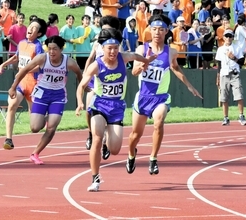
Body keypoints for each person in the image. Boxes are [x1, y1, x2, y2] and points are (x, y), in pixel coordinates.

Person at [75, 28, 157, 192]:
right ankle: (95, 178)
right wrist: (79, 103)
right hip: (99, 105)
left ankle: (108, 141)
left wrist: (146, 61)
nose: (113, 51)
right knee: (96, 138)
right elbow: (81, 86)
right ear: (102, 48)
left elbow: (135, 56)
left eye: (115, 47)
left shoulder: (123, 57)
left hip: (117, 108)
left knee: (115, 149)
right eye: (109, 48)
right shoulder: (96, 65)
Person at [125, 14, 202, 175]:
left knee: (158, 122)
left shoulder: (171, 52)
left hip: (160, 97)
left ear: (166, 31)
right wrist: (144, 64)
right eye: (154, 29)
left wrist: (189, 85)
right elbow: (133, 72)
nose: (157, 33)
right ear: (150, 31)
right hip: (143, 98)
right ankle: (131, 154)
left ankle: (153, 158)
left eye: (160, 30)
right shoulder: (142, 49)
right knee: (135, 135)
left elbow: (175, 68)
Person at [8, 35, 84, 164]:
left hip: (58, 96)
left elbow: (79, 73)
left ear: (61, 49)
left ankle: (35, 153)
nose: (52, 52)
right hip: (41, 94)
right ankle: (45, 117)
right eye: (49, 49)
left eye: (55, 49)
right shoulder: (42, 58)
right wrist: (13, 87)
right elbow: (24, 70)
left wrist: (83, 86)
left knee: (52, 127)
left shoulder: (69, 62)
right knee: (35, 128)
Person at [0, 18, 47, 150]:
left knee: (35, 125)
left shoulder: (38, 46)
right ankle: (8, 139)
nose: (30, 28)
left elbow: (40, 65)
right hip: (21, 82)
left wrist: (26, 69)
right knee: (11, 105)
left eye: (34, 28)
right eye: (30, 26)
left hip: (34, 84)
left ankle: (44, 119)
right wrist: (3, 65)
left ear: (39, 34)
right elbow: (16, 57)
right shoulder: (21, 43)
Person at [83, 15, 121, 159]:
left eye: (107, 30)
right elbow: (90, 58)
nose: (104, 33)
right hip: (95, 80)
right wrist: (85, 76)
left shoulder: (117, 46)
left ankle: (105, 142)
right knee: (89, 109)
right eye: (102, 30)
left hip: (109, 82)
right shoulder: (98, 43)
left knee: (105, 114)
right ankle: (90, 134)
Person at [215, 29, 246, 126]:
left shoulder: (236, 48)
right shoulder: (220, 49)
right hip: (224, 74)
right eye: (226, 36)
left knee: (239, 95)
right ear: (223, 37)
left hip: (234, 74)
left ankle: (241, 115)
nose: (228, 38)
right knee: (224, 97)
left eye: (230, 36)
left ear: (232, 38)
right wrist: (218, 76)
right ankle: (226, 117)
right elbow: (219, 64)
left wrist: (233, 57)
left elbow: (242, 62)